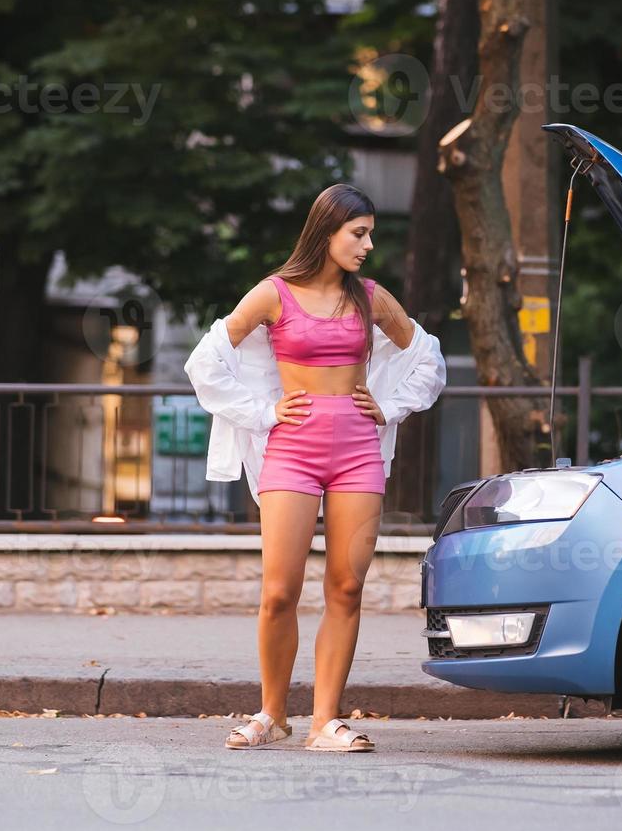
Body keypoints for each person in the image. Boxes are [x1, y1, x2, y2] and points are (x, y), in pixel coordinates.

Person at [184, 183, 445, 752]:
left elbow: (427, 357)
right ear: (326, 233)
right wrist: (262, 411)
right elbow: (206, 361)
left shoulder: (371, 297)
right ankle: (271, 715)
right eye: (359, 233)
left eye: (371, 233)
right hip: (291, 451)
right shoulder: (273, 294)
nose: (369, 244)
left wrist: (394, 405)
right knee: (279, 590)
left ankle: (325, 720)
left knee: (347, 587)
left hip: (357, 451)